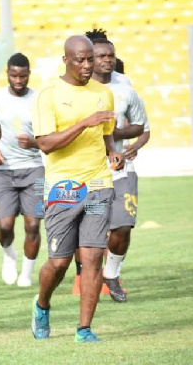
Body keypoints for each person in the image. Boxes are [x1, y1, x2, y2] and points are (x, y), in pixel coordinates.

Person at [30, 35, 124, 343]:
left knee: (92, 258)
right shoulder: (49, 96)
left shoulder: (104, 93)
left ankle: (84, 329)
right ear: (66, 60)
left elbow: (107, 134)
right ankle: (42, 304)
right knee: (58, 262)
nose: (87, 65)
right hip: (63, 188)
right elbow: (45, 144)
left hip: (98, 185)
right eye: (80, 60)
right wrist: (85, 123)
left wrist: (113, 153)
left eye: (91, 59)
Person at [89, 33, 146, 302]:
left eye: (110, 55)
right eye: (101, 56)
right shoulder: (76, 90)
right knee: (94, 231)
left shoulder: (125, 87)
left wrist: (114, 134)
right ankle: (87, 277)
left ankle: (111, 274)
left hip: (121, 168)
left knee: (123, 226)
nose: (107, 60)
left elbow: (141, 126)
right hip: (89, 173)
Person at [0, 53, 44, 287]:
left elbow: (50, 137)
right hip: (4, 171)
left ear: (29, 75)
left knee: (33, 225)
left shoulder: (39, 100)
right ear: (7, 73)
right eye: (14, 75)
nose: (18, 80)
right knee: (5, 226)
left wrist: (34, 143)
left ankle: (26, 273)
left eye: (23, 75)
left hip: (33, 169)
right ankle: (9, 255)